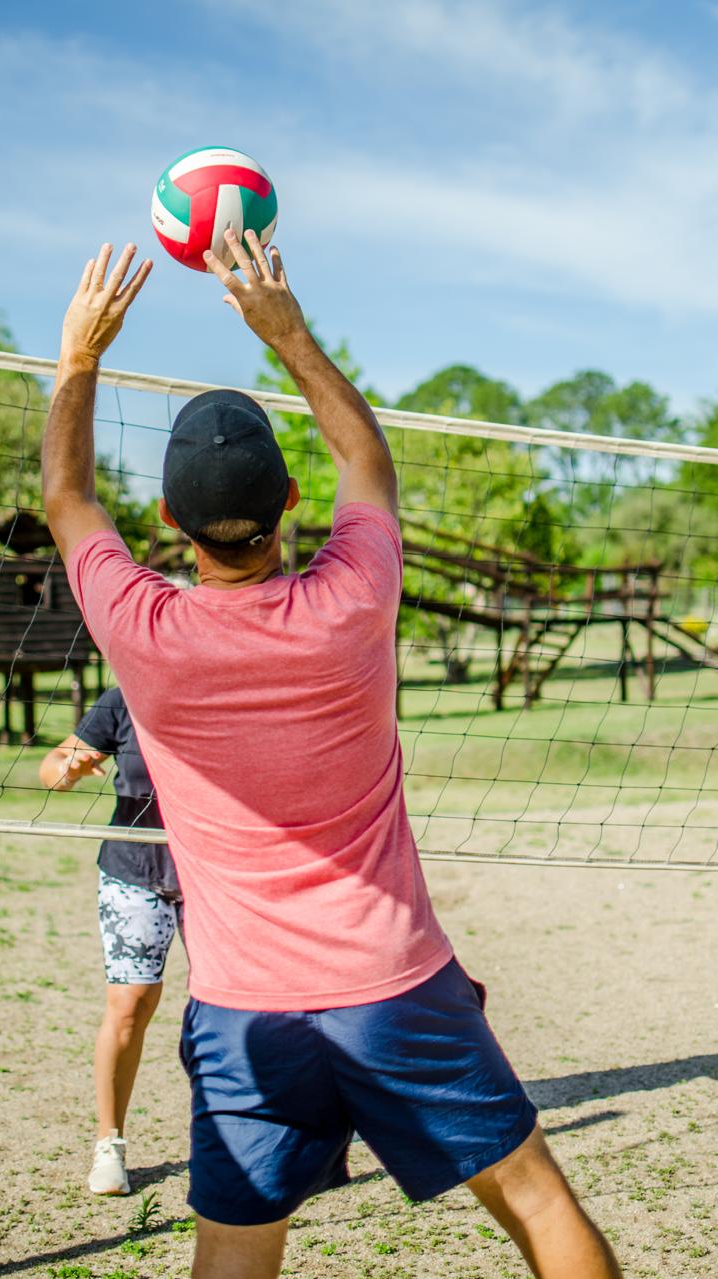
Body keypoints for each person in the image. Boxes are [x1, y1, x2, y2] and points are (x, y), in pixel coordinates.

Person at [41, 234, 622, 1279]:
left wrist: (80, 355)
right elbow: (369, 460)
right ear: (289, 506)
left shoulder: (146, 632)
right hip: (393, 983)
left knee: (232, 1251)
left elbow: (69, 503)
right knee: (537, 1204)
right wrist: (285, 330)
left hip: (244, 1009)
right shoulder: (355, 597)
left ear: (171, 521)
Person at [39, 685, 182, 1196]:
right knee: (128, 1006)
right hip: (133, 869)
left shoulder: (236, 688)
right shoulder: (126, 697)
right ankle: (109, 1145)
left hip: (217, 870)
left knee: (230, 1010)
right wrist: (68, 769)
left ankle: (244, 1140)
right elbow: (53, 768)